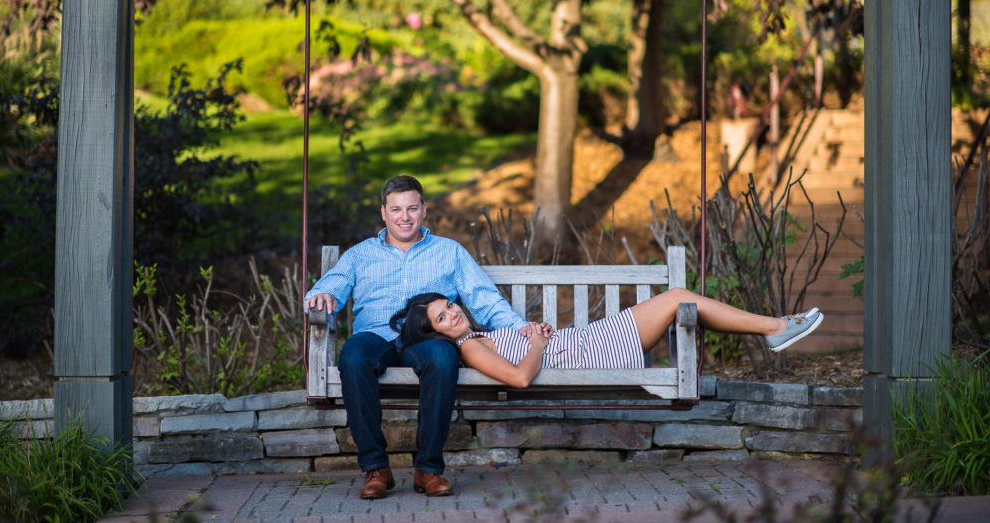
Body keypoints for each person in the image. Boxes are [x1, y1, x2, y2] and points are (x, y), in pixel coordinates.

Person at [303, 175, 529, 499]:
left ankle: (428, 469)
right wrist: (321, 297)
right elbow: (327, 289)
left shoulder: (449, 251)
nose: (404, 217)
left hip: (425, 338)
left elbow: (483, 297)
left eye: (411, 208)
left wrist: (518, 328)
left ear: (424, 210)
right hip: (375, 335)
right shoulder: (359, 255)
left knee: (442, 356)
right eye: (396, 209)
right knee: (353, 357)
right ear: (383, 212)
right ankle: (376, 468)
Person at [390, 290, 824, 388]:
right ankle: (776, 329)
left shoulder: (478, 334)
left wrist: (536, 331)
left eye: (448, 305)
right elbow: (521, 378)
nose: (453, 314)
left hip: (586, 341)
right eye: (443, 318)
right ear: (438, 333)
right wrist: (539, 343)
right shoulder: (468, 346)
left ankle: (776, 328)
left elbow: (527, 349)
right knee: (676, 298)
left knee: (677, 299)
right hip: (593, 351)